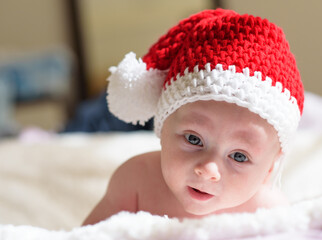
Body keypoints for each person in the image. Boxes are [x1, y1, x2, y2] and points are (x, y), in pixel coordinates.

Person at [83, 8, 304, 225]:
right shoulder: (136, 182)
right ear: (163, 128)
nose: (208, 170)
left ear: (269, 169)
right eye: (193, 139)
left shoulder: (267, 214)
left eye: (239, 156)